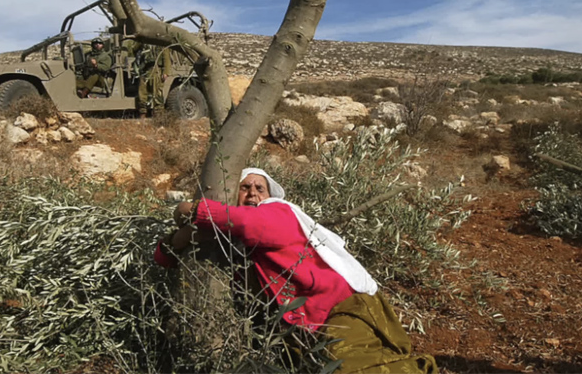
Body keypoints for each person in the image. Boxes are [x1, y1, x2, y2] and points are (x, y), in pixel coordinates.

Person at [155, 168, 438, 374]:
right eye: (244, 187)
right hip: (310, 326)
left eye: (260, 187)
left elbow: (248, 224)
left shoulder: (277, 212)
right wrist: (170, 244)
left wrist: (188, 208)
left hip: (344, 309)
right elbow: (166, 257)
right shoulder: (235, 244)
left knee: (346, 368)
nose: (253, 192)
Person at [131, 42, 170, 118]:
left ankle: (159, 115)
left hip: (156, 69)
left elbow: (166, 57)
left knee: (157, 93)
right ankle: (143, 113)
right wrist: (141, 40)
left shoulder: (160, 42)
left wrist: (166, 72)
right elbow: (134, 49)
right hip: (144, 70)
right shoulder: (143, 42)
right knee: (142, 92)